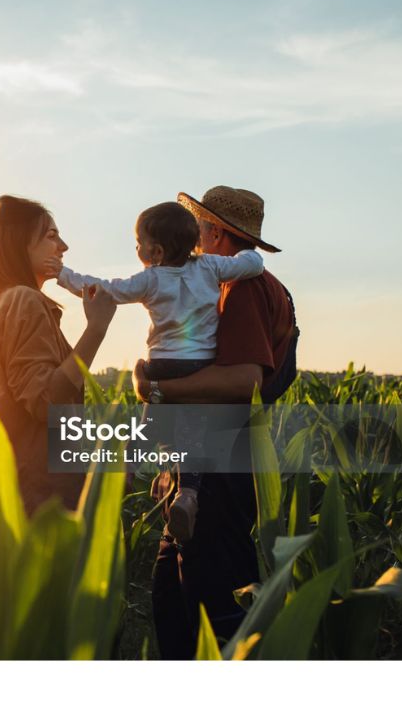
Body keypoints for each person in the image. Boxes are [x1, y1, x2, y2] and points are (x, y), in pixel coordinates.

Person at [131, 185, 299, 660]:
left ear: (217, 233)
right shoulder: (234, 284)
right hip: (206, 465)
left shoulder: (243, 289)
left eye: (198, 226)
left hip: (220, 470)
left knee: (212, 608)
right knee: (173, 595)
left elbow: (244, 380)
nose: (193, 235)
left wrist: (160, 390)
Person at [53, 201, 264, 541]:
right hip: (198, 364)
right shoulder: (210, 267)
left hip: (162, 363)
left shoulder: (150, 279)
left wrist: (61, 274)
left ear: (156, 250)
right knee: (194, 436)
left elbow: (102, 289)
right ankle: (189, 494)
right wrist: (243, 257)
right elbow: (253, 263)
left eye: (139, 243)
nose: (137, 249)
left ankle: (127, 468)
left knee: (149, 423)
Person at [0, 194, 117, 536]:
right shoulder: (25, 301)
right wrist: (96, 329)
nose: (63, 247)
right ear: (21, 243)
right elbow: (46, 399)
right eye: (52, 236)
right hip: (31, 506)